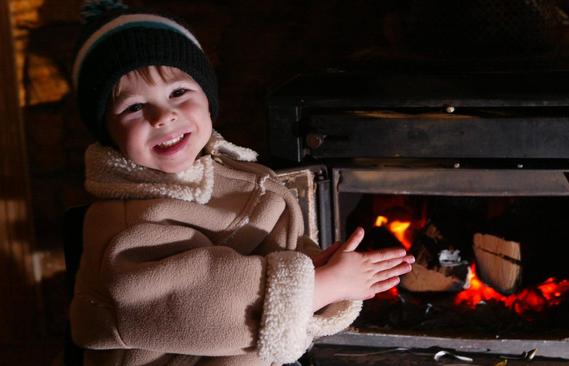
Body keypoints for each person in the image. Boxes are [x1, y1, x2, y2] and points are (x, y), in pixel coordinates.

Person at [69, 1, 414, 365]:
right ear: (107, 133)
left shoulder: (229, 176)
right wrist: (323, 285)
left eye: (178, 94)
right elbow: (202, 306)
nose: (163, 116)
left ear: (207, 98)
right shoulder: (125, 224)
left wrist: (318, 267)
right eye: (134, 107)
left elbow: (268, 251)